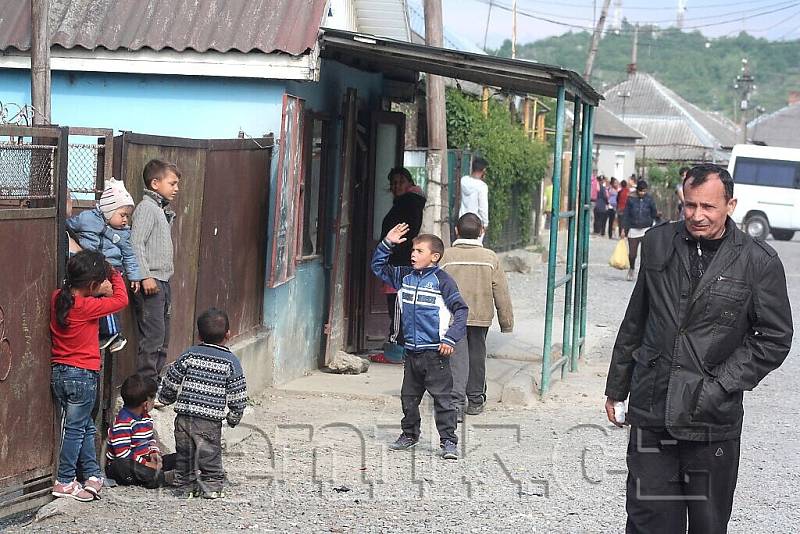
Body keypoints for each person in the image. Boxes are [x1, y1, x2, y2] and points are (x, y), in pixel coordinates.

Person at [604, 163, 793, 534]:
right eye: (689, 205)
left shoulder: (758, 261)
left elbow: (774, 337)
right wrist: (616, 388)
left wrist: (720, 384)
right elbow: (636, 319)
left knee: (707, 525)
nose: (697, 216)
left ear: (731, 205)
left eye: (708, 207)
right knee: (648, 520)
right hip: (652, 407)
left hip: (712, 418)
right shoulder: (658, 243)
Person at [371, 224, 468, 460]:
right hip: (411, 352)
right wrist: (387, 243)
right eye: (413, 250)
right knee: (409, 398)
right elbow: (378, 267)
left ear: (434, 257)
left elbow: (462, 311)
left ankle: (448, 442)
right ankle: (409, 435)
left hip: (436, 353)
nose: (413, 254)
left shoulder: (443, 281)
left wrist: (450, 338)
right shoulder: (404, 276)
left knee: (443, 400)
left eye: (419, 251)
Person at [50, 250, 129, 501]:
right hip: (83, 375)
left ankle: (92, 475)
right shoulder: (87, 306)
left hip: (60, 373)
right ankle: (64, 480)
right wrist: (114, 274)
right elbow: (121, 300)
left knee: (83, 425)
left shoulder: (57, 299)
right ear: (93, 285)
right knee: (76, 428)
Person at [159, 308, 248, 499]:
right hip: (209, 421)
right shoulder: (231, 362)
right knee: (209, 455)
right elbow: (238, 394)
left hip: (184, 418)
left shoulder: (189, 354)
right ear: (228, 335)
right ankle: (212, 485)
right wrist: (234, 416)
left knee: (185, 455)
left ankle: (184, 486)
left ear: (199, 335)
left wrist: (165, 398)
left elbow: (172, 378)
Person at [440, 213, 513, 420]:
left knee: (456, 357)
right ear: (482, 231)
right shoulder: (490, 257)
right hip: (481, 316)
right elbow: (501, 292)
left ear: (456, 231)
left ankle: (455, 403)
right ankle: (475, 399)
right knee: (477, 356)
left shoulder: (446, 256)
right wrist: (506, 322)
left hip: (452, 316)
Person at [66, 178, 142, 352]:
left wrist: (135, 276)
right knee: (96, 301)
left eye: (127, 216)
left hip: (113, 269)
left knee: (107, 299)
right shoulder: (86, 219)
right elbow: (69, 225)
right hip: (90, 267)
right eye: (122, 215)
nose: (125, 220)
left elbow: (129, 255)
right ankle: (109, 334)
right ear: (109, 211)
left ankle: (111, 334)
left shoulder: (123, 234)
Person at [131, 159, 180, 382]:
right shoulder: (146, 208)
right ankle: (145, 387)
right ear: (155, 183)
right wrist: (145, 275)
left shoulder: (160, 210)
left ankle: (154, 385)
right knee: (152, 339)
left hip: (163, 281)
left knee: (162, 339)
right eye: (172, 183)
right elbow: (136, 243)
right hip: (152, 282)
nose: (176, 188)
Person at [380, 167, 426, 351]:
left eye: (400, 182)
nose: (396, 186)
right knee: (397, 304)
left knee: (398, 304)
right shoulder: (406, 203)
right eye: (393, 183)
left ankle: (396, 346)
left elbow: (405, 232)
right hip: (397, 259)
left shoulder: (408, 203)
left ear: (409, 184)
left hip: (400, 260)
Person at [106, 374, 176, 488]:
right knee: (121, 465)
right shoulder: (123, 422)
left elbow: (150, 439)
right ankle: (163, 478)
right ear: (145, 403)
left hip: (145, 460)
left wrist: (154, 453)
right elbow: (122, 453)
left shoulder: (146, 417)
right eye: (153, 398)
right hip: (128, 465)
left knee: (180, 457)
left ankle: (178, 472)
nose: (154, 401)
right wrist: (146, 464)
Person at [621, 179, 658, 281]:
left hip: (646, 228)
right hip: (633, 228)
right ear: (637, 190)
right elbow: (626, 214)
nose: (642, 193)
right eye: (640, 191)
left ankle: (643, 273)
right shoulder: (631, 199)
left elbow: (653, 213)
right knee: (632, 254)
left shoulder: (649, 199)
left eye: (644, 191)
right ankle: (632, 268)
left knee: (645, 254)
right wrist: (623, 228)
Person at [459, 157, 489, 232]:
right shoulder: (482, 186)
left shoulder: (463, 180)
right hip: (476, 222)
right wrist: (485, 223)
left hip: (462, 220)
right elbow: (483, 207)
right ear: (483, 170)